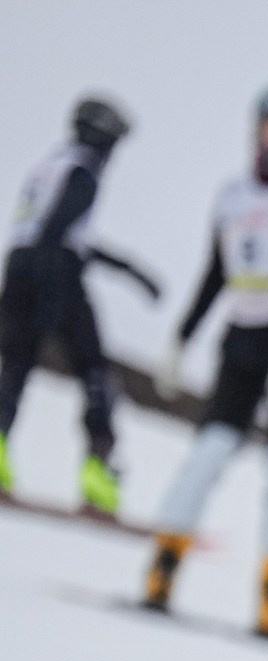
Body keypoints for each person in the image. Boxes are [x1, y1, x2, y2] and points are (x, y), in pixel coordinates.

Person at [140, 82, 268, 641]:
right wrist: (183, 335)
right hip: (243, 338)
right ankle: (163, 565)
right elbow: (216, 272)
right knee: (209, 451)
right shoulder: (233, 196)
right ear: (258, 127)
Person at [0, 94, 156, 514]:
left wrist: (131, 271)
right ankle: (98, 473)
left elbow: (55, 231)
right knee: (94, 371)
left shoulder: (50, 165)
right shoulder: (84, 172)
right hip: (56, 271)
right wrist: (54, 294)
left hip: (17, 264)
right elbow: (61, 232)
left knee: (13, 364)